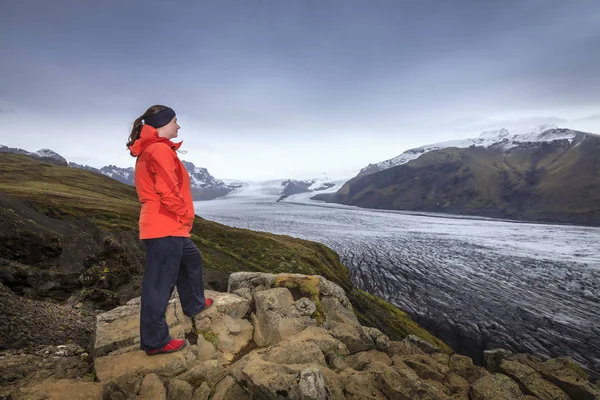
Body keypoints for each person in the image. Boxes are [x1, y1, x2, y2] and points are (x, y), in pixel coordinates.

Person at [126, 105, 212, 355]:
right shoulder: (159, 150)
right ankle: (155, 341)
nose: (178, 126)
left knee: (192, 259)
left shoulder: (153, 149)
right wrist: (185, 214)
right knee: (159, 285)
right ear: (162, 124)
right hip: (165, 225)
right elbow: (168, 190)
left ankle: (194, 304)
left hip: (169, 226)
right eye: (175, 121)